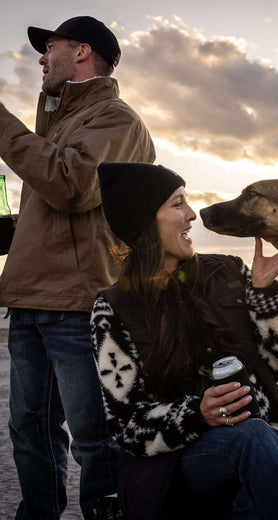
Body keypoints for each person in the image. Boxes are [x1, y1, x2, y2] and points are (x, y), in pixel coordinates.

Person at [91, 161, 278, 520]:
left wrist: (265, 293)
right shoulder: (114, 308)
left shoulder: (229, 272)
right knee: (253, 437)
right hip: (179, 470)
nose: (192, 215)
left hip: (263, 452)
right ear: (145, 220)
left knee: (258, 445)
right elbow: (128, 426)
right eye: (177, 204)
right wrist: (198, 413)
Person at [0, 16, 155, 520]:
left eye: (50, 47)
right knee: (29, 431)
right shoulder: (58, 123)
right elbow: (44, 217)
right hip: (28, 301)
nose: (42, 58)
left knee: (95, 437)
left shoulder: (117, 120)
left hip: (79, 305)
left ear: (83, 51)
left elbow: (70, 186)